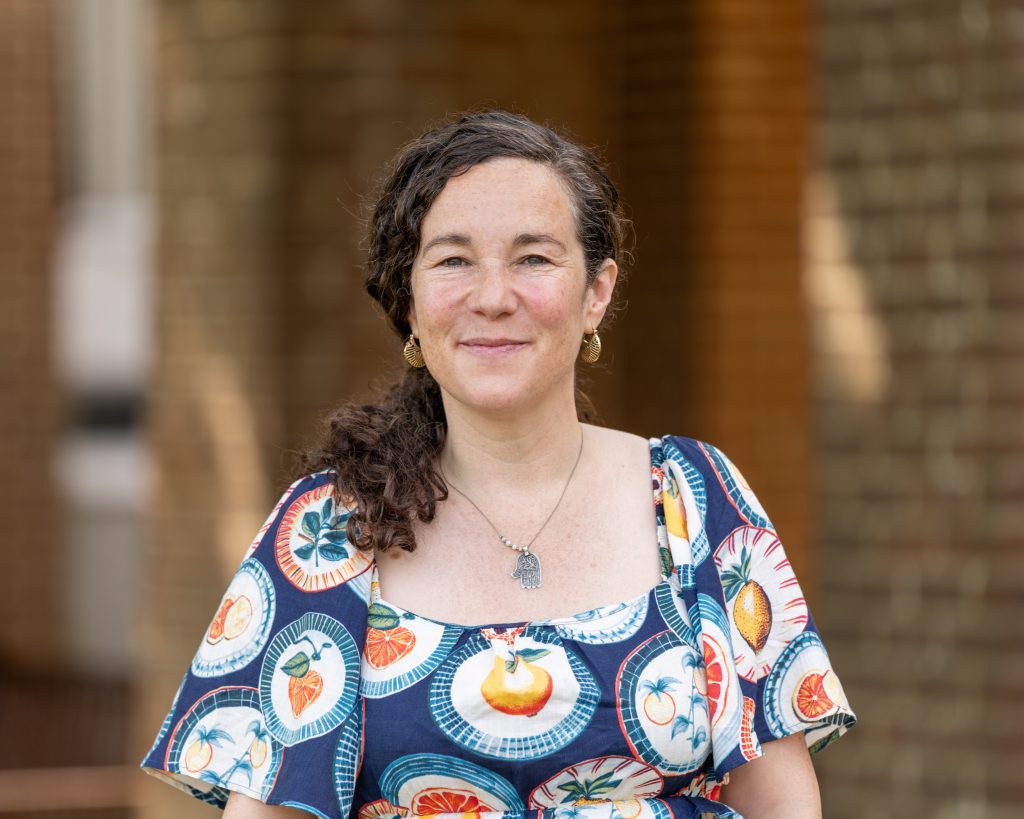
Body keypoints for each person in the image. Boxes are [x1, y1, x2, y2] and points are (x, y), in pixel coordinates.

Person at [140, 111, 856, 819]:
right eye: (453, 260)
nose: (492, 297)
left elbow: (781, 804)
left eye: (534, 258)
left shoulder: (696, 499)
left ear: (596, 292)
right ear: (411, 301)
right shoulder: (329, 528)